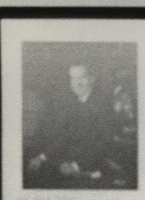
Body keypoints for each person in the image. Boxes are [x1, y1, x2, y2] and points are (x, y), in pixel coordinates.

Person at [24, 62, 135, 190]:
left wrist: (76, 166)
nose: (77, 83)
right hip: (71, 163)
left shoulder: (103, 104)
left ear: (91, 79)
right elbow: (65, 136)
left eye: (82, 78)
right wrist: (41, 157)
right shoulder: (74, 103)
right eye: (73, 78)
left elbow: (105, 142)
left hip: (96, 167)